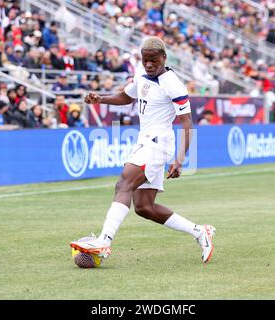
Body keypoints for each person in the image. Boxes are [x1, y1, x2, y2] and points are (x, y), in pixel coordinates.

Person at [70, 37, 215, 265]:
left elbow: (187, 123)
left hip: (158, 143)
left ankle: (103, 241)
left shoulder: (172, 83)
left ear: (164, 58)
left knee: (124, 183)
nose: (149, 64)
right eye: (145, 60)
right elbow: (127, 96)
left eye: (153, 60)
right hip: (145, 141)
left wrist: (180, 158)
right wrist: (101, 99)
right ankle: (199, 231)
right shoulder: (141, 74)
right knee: (144, 207)